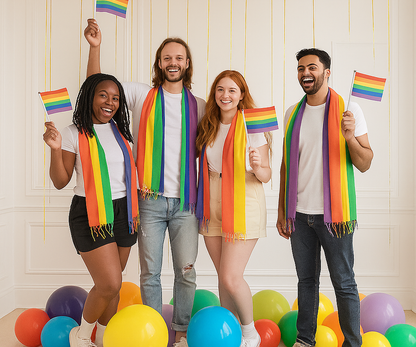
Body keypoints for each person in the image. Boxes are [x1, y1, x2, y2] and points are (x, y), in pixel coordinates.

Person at [84, 19, 205, 347]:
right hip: (148, 201)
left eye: (178, 57)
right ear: (159, 63)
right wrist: (95, 47)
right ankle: (153, 330)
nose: (173, 63)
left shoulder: (201, 105)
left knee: (187, 271)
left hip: (186, 204)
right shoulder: (141, 95)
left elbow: (229, 126)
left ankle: (180, 332)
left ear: (187, 63)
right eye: (167, 57)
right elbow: (97, 86)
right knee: (149, 274)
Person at [276, 48, 373, 347]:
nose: (306, 73)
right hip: (300, 215)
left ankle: (352, 343)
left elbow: (366, 162)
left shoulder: (349, 110)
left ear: (327, 72)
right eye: (301, 68)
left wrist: (349, 137)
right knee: (306, 282)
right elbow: (285, 165)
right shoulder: (293, 112)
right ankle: (305, 340)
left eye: (313, 67)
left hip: (336, 217)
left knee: (343, 283)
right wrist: (282, 210)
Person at [43, 74, 139, 347]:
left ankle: (105, 338)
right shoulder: (73, 133)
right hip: (90, 212)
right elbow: (60, 182)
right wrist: (55, 148)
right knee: (108, 283)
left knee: (115, 286)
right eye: (103, 95)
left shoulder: (121, 132)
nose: (110, 102)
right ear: (89, 97)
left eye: (116, 98)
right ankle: (82, 336)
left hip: (124, 211)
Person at [196, 70, 271, 347]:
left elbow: (266, 175)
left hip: (243, 199)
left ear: (241, 96)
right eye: (220, 89)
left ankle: (250, 334)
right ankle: (228, 333)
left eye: (232, 90)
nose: (225, 95)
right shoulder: (209, 124)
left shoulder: (252, 125)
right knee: (223, 278)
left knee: (231, 276)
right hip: (211, 199)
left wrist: (258, 164)